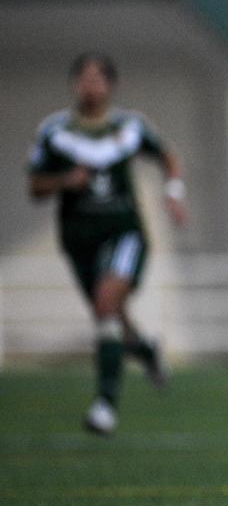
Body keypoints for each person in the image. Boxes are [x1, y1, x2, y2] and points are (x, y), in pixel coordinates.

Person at [26, 52, 187, 435]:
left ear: (111, 85)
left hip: (123, 233)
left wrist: (174, 193)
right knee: (109, 318)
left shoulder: (129, 127)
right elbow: (35, 185)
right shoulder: (55, 131)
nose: (90, 85)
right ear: (74, 85)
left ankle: (105, 406)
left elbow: (168, 156)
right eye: (83, 77)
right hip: (79, 239)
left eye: (98, 78)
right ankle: (146, 350)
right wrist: (65, 181)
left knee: (105, 304)